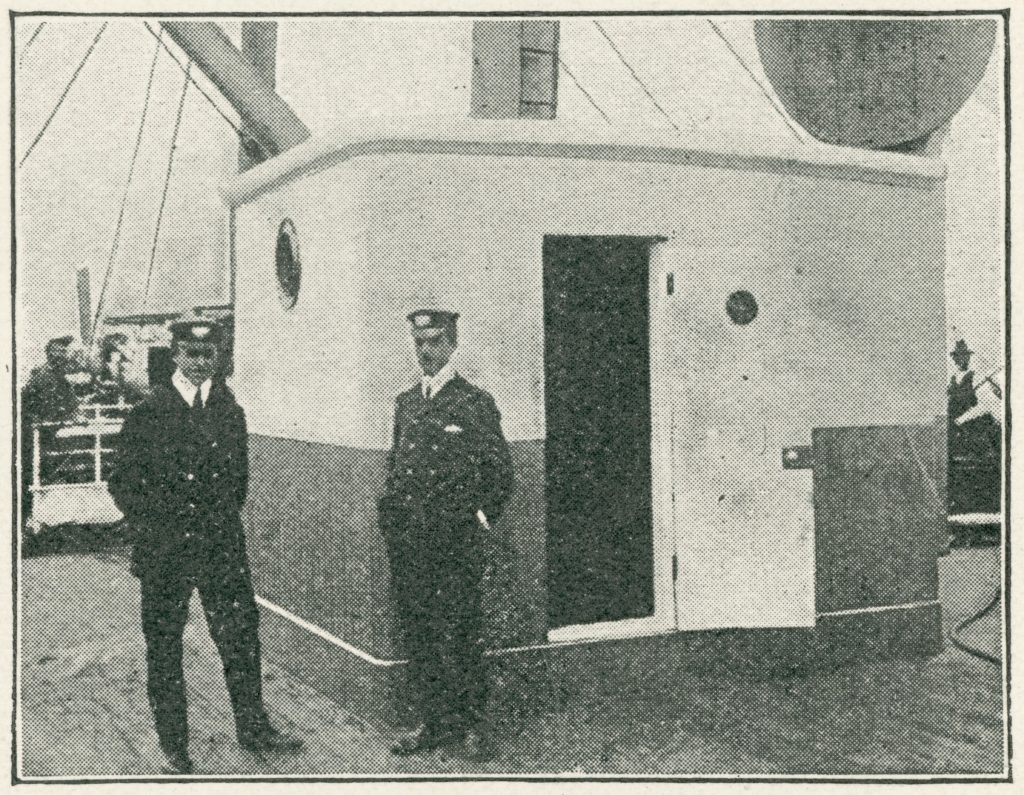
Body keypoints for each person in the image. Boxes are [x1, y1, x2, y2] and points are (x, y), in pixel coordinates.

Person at [107, 318, 302, 774]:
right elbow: (122, 484)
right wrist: (155, 530)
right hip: (166, 551)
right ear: (175, 354)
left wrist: (216, 525)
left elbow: (238, 481)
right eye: (190, 354)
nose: (199, 363)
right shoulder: (149, 411)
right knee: (165, 646)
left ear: (218, 357)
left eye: (208, 355)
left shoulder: (228, 409)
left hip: (219, 546)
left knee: (240, 637)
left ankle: (254, 727)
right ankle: (174, 745)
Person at [379, 309, 514, 761]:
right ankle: (433, 722)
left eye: (435, 341)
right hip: (411, 542)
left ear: (453, 344)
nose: (426, 351)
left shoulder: (474, 401)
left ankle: (473, 724)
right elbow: (396, 467)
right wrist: (392, 518)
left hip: (455, 543)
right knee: (419, 632)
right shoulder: (406, 402)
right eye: (419, 343)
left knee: (461, 631)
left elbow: (499, 474)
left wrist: (475, 519)